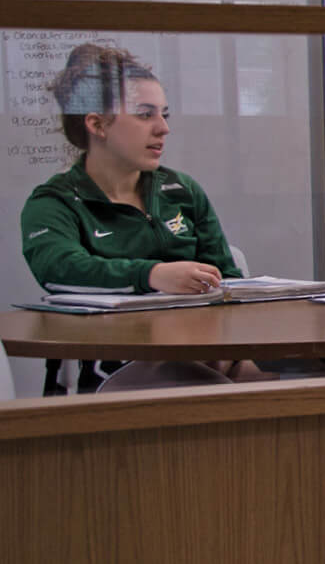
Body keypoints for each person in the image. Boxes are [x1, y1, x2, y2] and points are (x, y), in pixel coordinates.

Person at [19, 44, 248, 392]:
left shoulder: (182, 190)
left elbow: (229, 281)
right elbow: (58, 268)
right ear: (97, 124)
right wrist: (152, 275)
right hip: (116, 370)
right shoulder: (54, 202)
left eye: (164, 115)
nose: (162, 129)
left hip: (203, 355)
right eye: (145, 115)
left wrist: (225, 342)